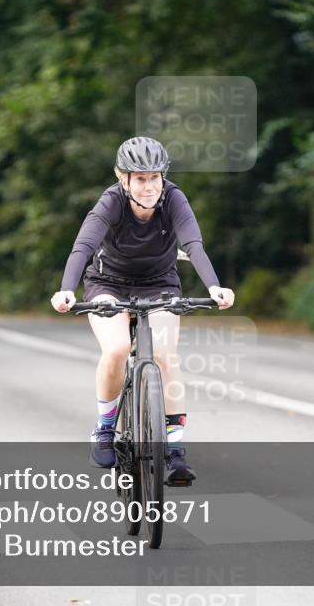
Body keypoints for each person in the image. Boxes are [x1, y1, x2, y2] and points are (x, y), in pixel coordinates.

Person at [50, 136, 234, 486]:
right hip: (108, 284)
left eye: (155, 177)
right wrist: (65, 290)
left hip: (159, 283)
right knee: (118, 348)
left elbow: (192, 243)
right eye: (140, 178)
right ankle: (105, 429)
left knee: (166, 356)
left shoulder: (174, 198)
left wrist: (214, 287)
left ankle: (176, 452)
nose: (149, 186)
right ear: (124, 179)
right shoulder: (110, 203)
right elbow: (82, 247)